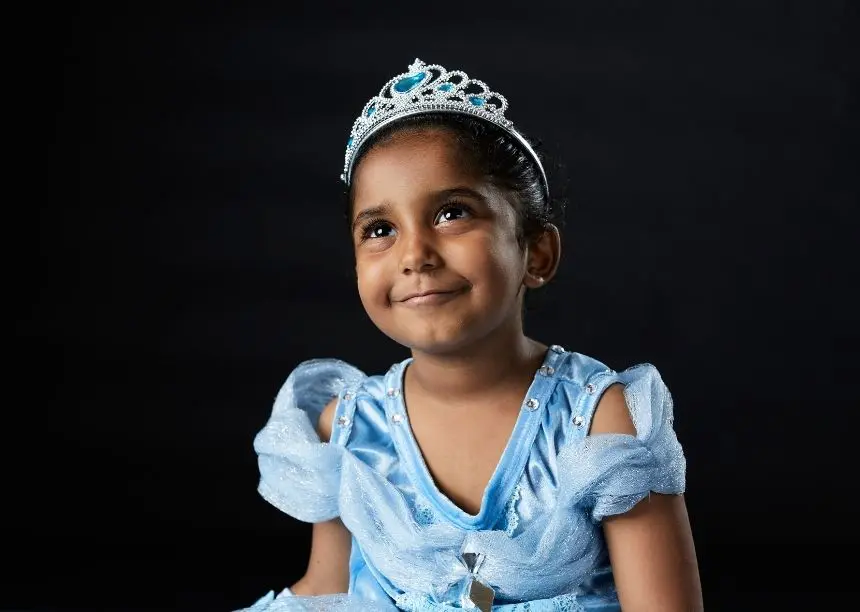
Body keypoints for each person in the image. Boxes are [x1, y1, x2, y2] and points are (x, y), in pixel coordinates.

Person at [240, 59, 703, 612]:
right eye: (380, 229)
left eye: (451, 213)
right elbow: (328, 593)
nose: (415, 255)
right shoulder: (349, 428)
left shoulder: (600, 424)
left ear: (537, 253)